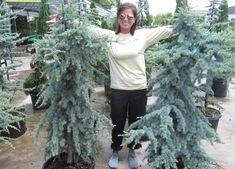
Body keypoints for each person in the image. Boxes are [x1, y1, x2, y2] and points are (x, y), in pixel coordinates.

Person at [90, 2, 172, 169]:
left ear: (135, 19)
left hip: (138, 89)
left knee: (136, 122)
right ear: (117, 18)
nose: (125, 19)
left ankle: (133, 151)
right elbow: (89, 29)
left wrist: (186, 25)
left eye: (129, 16)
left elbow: (166, 31)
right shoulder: (109, 37)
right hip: (118, 89)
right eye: (122, 16)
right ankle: (115, 150)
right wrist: (65, 22)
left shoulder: (142, 36)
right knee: (117, 122)